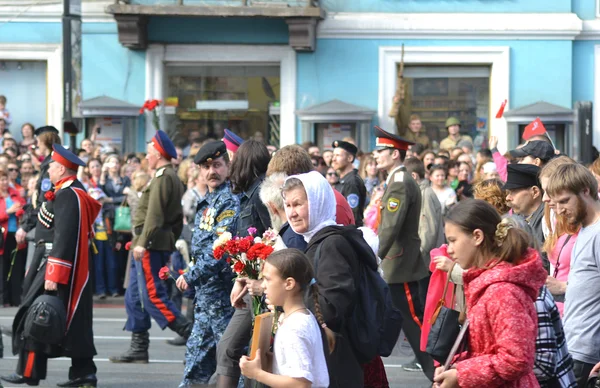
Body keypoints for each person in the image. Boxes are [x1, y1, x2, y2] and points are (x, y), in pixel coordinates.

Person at [1, 144, 102, 387]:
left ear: (64, 169)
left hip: (53, 262)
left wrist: (54, 273)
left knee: (35, 314)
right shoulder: (69, 190)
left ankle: (31, 372)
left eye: (53, 167)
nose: (48, 172)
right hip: (52, 260)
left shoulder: (68, 194)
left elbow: (64, 237)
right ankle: (81, 372)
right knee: (65, 319)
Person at [433, 199, 547, 388]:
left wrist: (461, 374)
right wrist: (454, 368)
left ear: (477, 236)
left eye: (453, 241)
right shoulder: (488, 283)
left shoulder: (503, 292)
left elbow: (516, 358)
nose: (449, 250)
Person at [109, 130, 191, 364]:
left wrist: (144, 243)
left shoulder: (164, 177)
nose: (146, 157)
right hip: (152, 243)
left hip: (150, 245)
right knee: (134, 298)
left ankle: (192, 335)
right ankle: (138, 347)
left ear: (157, 154)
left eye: (149, 153)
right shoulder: (166, 176)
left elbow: (155, 215)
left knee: (154, 296)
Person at [280, 171, 365, 387]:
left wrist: (289, 296)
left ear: (317, 202)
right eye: (288, 205)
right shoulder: (316, 241)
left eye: (298, 204)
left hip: (336, 363)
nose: (292, 213)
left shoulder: (332, 244)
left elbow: (331, 309)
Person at [372, 125, 433, 379]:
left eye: (381, 151)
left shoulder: (399, 182)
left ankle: (435, 371)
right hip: (399, 262)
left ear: (395, 154)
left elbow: (390, 228)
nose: (376, 156)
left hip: (400, 264)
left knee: (413, 320)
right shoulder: (397, 180)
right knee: (409, 319)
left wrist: (375, 254)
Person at [177, 141, 240, 387]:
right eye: (206, 166)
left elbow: (220, 250)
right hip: (206, 298)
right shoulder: (208, 201)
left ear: (227, 166)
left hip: (223, 297)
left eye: (217, 165)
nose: (212, 171)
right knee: (195, 362)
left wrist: (192, 275)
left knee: (232, 361)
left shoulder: (228, 200)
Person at [215, 140, 271, 387]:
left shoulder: (260, 195)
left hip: (261, 285)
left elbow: (272, 238)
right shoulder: (249, 194)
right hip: (250, 283)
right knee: (239, 351)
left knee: (229, 348)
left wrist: (254, 280)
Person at [239, 249, 329, 388]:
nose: (262, 285)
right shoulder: (300, 317)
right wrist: (270, 361)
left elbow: (301, 384)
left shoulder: (294, 328)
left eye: (267, 279)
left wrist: (257, 374)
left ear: (289, 284)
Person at [545, 163, 600, 387]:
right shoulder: (585, 229)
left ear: (585, 190)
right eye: (555, 203)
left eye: (565, 201)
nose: (559, 210)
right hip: (573, 348)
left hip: (586, 355)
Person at [266, 144, 355, 227]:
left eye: (284, 185)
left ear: (296, 176)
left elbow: (336, 241)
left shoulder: (331, 204)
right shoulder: (311, 199)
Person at [14, 126, 59, 249]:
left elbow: (44, 201)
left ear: (46, 141)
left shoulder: (51, 165)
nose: (37, 144)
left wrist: (25, 226)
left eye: (39, 141)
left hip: (48, 228)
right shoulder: (49, 163)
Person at [0, 168, 26, 306]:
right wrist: (8, 212)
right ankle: (3, 299)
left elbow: (23, 208)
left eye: (5, 179)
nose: (4, 182)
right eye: (2, 179)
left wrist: (18, 210)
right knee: (3, 268)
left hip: (15, 234)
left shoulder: (14, 194)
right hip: (2, 236)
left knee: (15, 267)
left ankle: (15, 299)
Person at [504, 164, 546, 248]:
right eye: (508, 193)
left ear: (535, 192)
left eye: (513, 192)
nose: (508, 197)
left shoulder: (547, 220)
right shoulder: (520, 217)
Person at [331, 140, 367, 226]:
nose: (333, 159)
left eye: (338, 155)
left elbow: (352, 215)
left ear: (350, 158)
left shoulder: (352, 182)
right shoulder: (344, 180)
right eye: (333, 155)